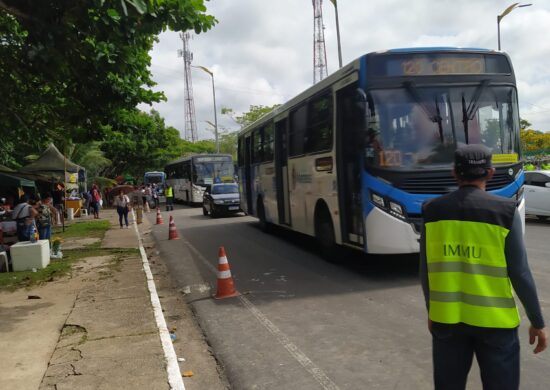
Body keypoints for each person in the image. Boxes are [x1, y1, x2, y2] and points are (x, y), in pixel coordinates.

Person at [420, 144, 547, 390]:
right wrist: (537, 322)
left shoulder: (432, 210)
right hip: (496, 324)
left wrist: (431, 310)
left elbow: (425, 269)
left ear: (454, 173)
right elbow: (520, 273)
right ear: (489, 173)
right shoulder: (505, 212)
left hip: (447, 320)